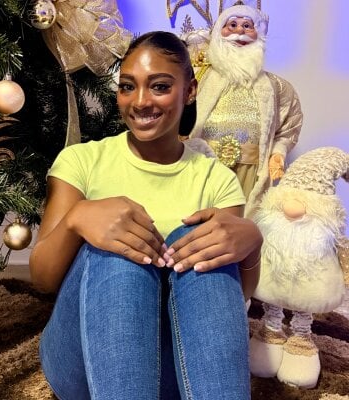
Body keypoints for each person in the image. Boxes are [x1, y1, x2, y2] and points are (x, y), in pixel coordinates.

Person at [29, 30, 263, 400]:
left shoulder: (216, 179)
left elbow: (228, 300)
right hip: (83, 361)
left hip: (177, 367)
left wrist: (252, 246)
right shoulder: (81, 161)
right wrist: (78, 218)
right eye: (127, 86)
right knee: (120, 247)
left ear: (189, 90)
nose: (140, 101)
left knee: (199, 246)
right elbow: (42, 279)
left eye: (159, 86)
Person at [189, 2, 303, 218]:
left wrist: (278, 153)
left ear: (259, 34)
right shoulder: (198, 78)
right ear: (219, 31)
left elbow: (288, 128)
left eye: (247, 26)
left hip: (250, 172)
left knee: (241, 225)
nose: (239, 31)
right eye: (232, 25)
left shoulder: (277, 87)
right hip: (204, 167)